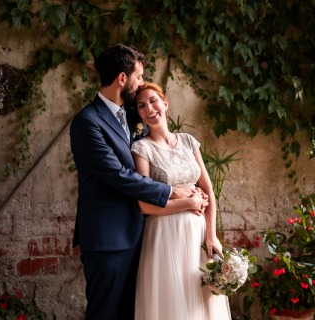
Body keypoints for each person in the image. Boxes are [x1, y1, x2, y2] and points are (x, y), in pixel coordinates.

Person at [69, 44, 207, 320]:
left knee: (133, 312)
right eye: (139, 77)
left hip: (142, 235)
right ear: (123, 78)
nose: (141, 83)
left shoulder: (133, 114)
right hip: (107, 237)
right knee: (104, 312)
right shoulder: (87, 122)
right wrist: (172, 191)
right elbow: (118, 174)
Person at [131, 82, 231, 320]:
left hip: (198, 235)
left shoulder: (188, 141)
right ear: (139, 114)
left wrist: (212, 235)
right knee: (171, 301)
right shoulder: (141, 149)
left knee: (201, 300)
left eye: (153, 101)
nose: (149, 108)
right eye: (142, 106)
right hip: (164, 235)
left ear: (165, 103)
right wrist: (188, 203)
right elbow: (144, 205)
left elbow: (208, 190)